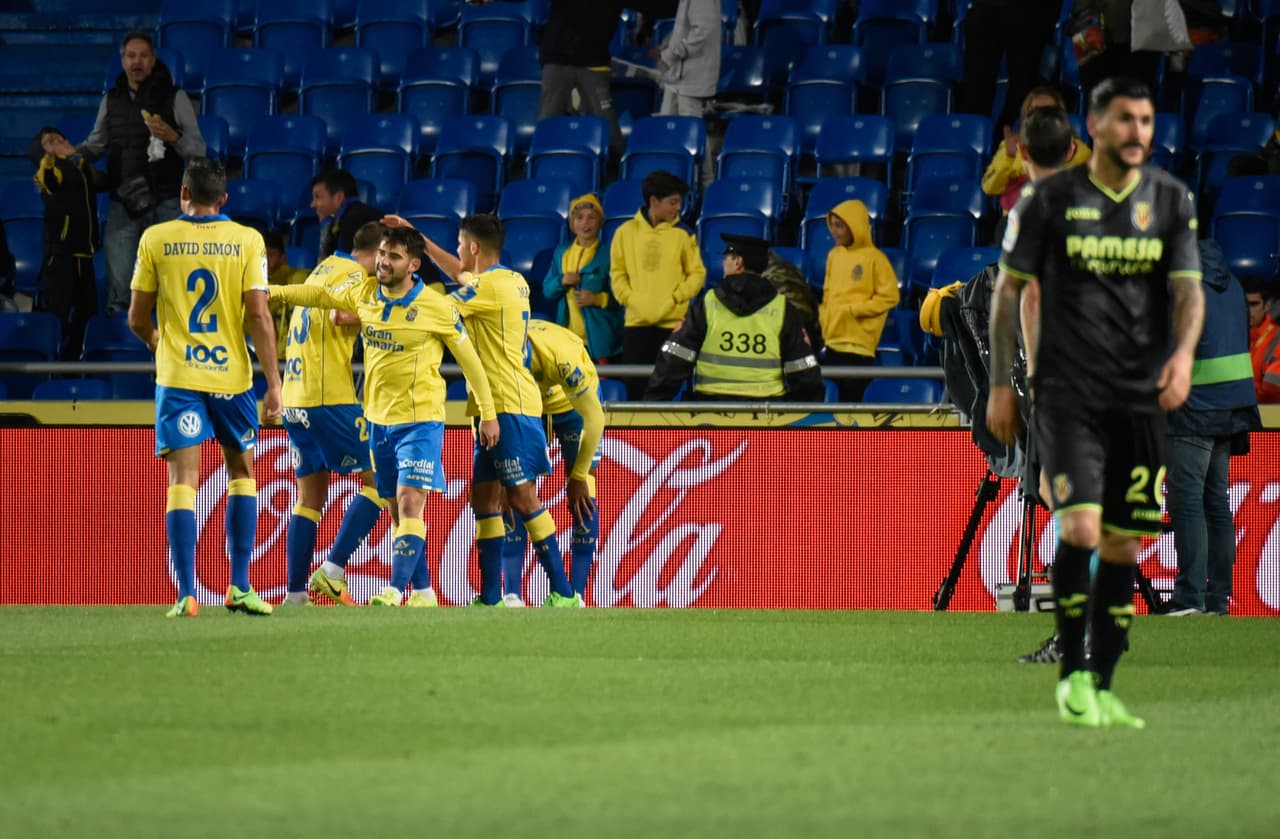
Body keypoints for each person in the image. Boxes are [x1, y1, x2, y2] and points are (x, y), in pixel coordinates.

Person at [987, 77, 1205, 728]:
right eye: (1124, 119)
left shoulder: (1169, 199)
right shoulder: (1050, 201)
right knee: (1078, 526)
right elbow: (1010, 293)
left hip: (1138, 395)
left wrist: (1186, 352)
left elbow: (1188, 291)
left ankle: (1103, 677)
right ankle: (1071, 673)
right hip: (1068, 391)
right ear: (1094, 126)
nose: (1138, 131)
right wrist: (1005, 381)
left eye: (1147, 120)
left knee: (1121, 544)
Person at [269, 226, 499, 608]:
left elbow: (471, 362)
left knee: (409, 501)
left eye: (393, 257)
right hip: (378, 421)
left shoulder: (436, 307)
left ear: (413, 265)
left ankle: (392, 589)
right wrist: (273, 292)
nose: (383, 262)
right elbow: (319, 294)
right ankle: (424, 593)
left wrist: (488, 414)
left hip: (419, 419)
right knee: (392, 503)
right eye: (381, 254)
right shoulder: (364, 293)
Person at [397, 213, 583, 608]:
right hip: (492, 409)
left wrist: (398, 291)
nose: (459, 252)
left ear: (475, 247)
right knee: (483, 499)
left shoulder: (487, 289)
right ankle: (491, 596)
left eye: (461, 245)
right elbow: (463, 275)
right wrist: (422, 242)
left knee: (521, 497)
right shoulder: (509, 280)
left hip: (509, 406)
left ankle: (566, 594)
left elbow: (437, 309)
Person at [126, 157, 282, 618]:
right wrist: (274, 382)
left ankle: (186, 594)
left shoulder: (156, 238)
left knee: (183, 482)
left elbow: (137, 317)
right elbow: (258, 314)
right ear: (225, 199)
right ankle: (239, 586)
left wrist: (160, 344)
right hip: (232, 377)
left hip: (179, 378)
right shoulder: (247, 240)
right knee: (241, 474)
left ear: (184, 193)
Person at [275, 222, 385, 607]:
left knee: (310, 498)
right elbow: (342, 314)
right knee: (379, 482)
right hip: (328, 397)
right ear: (380, 251)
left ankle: (295, 593)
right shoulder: (356, 275)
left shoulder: (323, 268)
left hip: (295, 398)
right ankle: (333, 571)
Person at [1164, 241, 1261, 616]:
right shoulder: (1232, 282)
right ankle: (1218, 599)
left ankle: (1189, 597)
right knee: (1215, 503)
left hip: (1194, 406)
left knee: (1187, 503)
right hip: (1233, 403)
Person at [81, 31, 205, 316]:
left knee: (171, 290)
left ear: (153, 61)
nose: (137, 62)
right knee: (121, 290)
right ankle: (119, 354)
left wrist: (174, 136)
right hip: (123, 204)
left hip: (167, 203)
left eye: (144, 56)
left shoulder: (176, 97)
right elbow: (95, 145)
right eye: (131, 56)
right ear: (123, 61)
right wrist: (68, 157)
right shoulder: (111, 99)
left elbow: (198, 151)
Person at [646, 233, 823, 402]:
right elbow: (803, 367)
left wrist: (655, 401)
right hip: (766, 417)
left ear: (738, 262)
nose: (723, 264)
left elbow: (676, 357)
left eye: (726, 259)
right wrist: (805, 413)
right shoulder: (783, 308)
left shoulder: (707, 304)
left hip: (710, 413)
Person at [502, 318, 605, 605]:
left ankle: (577, 594)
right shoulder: (494, 355)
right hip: (528, 408)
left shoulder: (562, 356)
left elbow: (595, 418)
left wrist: (579, 476)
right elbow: (481, 413)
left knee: (584, 494)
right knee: (516, 492)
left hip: (572, 407)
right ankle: (512, 595)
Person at [610, 169, 706, 398]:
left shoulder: (684, 234)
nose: (677, 208)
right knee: (635, 390)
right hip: (636, 325)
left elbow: (697, 274)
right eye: (672, 202)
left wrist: (674, 298)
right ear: (654, 201)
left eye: (679, 202)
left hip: (673, 326)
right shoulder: (624, 233)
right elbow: (617, 274)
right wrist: (632, 300)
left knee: (669, 390)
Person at [31, 126, 109, 359]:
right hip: (61, 255)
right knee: (59, 314)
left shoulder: (81, 167)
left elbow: (106, 181)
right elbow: (50, 182)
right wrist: (48, 161)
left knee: (87, 313)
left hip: (83, 254)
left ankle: (74, 365)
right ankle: (52, 368)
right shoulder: (51, 170)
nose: (57, 141)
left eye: (59, 137)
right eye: (49, 142)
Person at [819, 199, 899, 402]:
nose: (833, 231)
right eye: (832, 225)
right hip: (832, 342)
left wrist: (853, 311)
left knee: (852, 409)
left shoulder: (875, 259)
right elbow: (827, 294)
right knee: (830, 408)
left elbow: (890, 297)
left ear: (854, 226)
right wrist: (825, 317)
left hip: (859, 346)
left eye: (839, 225)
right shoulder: (833, 255)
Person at [982, 88, 1092, 221]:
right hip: (1017, 221)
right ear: (1026, 114)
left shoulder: (1079, 151)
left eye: (1049, 111)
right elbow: (989, 187)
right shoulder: (1011, 146)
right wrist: (1008, 157)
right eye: (1035, 111)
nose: (1042, 117)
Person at [956, 0, 1060, 136]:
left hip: (1029, 12)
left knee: (1022, 90)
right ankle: (974, 144)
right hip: (985, 9)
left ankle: (1003, 142)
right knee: (976, 89)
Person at [537, 0, 626, 156]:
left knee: (606, 121)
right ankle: (539, 166)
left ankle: (621, 169)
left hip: (594, 61)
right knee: (548, 119)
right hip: (557, 58)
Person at [541, 193, 623, 363]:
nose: (585, 222)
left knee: (601, 387)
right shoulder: (561, 253)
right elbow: (547, 290)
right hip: (568, 339)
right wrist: (561, 281)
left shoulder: (609, 254)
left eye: (591, 218)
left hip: (601, 343)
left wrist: (598, 299)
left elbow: (622, 296)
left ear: (600, 223)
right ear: (572, 224)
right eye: (579, 218)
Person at [655, 0, 721, 118]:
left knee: (689, 129)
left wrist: (670, 55)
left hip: (692, 78)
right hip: (677, 76)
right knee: (665, 127)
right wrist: (666, 46)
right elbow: (683, 30)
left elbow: (701, 34)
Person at [311, 169, 383, 263]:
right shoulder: (346, 216)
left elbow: (350, 267)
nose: (312, 204)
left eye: (317, 197)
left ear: (339, 197)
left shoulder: (353, 220)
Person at [263, 230, 309, 361]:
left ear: (283, 257)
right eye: (262, 257)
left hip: (301, 355)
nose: (266, 262)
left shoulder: (301, 278)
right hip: (275, 357)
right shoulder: (259, 289)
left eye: (270, 256)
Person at [1244, 277, 1280, 403]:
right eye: (1243, 304)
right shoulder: (1230, 333)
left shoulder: (1276, 338)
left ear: (1267, 306)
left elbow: (1273, 390)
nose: (1247, 310)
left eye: (1254, 304)